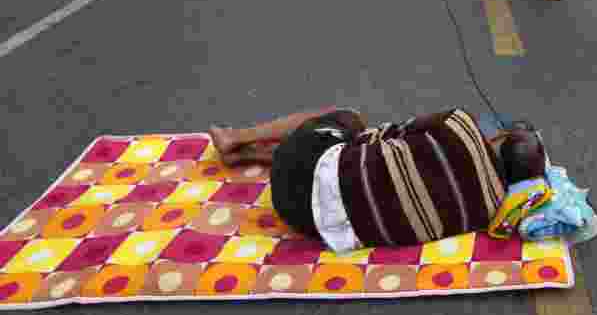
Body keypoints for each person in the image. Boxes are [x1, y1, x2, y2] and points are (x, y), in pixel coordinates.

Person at [209, 108, 546, 253]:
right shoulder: (489, 211)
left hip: (297, 173)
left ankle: (238, 138)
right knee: (349, 163)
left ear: (501, 136)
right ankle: (246, 155)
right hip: (308, 223)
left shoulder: (461, 124)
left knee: (350, 119)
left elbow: (382, 136)